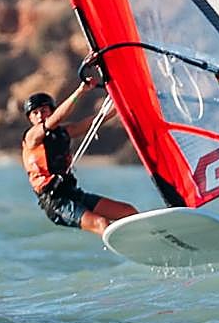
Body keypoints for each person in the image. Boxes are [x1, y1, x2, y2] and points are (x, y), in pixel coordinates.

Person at [20, 81, 137, 235]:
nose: (40, 115)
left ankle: (152, 241)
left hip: (73, 193)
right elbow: (55, 120)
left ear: (51, 110)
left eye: (43, 110)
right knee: (101, 223)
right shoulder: (32, 137)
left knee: (128, 212)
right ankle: (130, 248)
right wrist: (80, 91)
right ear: (30, 118)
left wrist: (122, 102)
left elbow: (98, 120)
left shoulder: (64, 132)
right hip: (56, 203)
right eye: (35, 113)